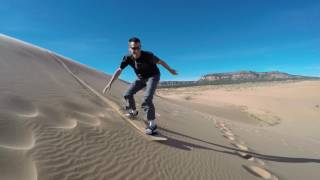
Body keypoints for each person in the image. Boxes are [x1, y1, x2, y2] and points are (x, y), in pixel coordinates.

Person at [102, 37, 178, 135]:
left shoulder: (148, 55)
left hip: (153, 76)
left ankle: (152, 126)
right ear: (129, 48)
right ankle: (133, 112)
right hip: (141, 78)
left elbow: (161, 62)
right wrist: (109, 83)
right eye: (134, 48)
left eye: (138, 47)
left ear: (140, 46)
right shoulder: (127, 58)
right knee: (127, 94)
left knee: (147, 99)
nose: (136, 50)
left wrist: (170, 70)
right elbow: (119, 70)